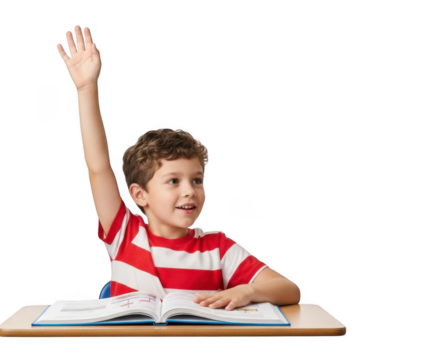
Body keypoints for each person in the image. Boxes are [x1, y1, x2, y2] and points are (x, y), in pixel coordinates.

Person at [56, 25, 301, 310]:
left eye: (197, 180)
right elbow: (97, 167)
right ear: (139, 194)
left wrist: (245, 292)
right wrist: (87, 89)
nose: (190, 191)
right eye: (174, 181)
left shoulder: (218, 248)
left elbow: (289, 290)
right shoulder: (124, 233)